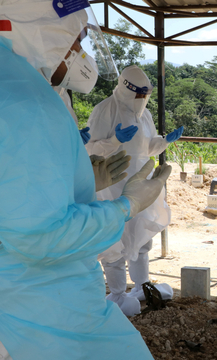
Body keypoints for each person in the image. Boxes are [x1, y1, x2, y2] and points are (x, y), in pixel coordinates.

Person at [0, 1, 170, 359]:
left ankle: (139, 287)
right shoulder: (27, 102)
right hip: (40, 307)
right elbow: (40, 234)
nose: (79, 50)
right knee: (115, 249)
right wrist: (125, 206)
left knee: (138, 244)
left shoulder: (20, 86)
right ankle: (121, 293)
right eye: (75, 39)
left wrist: (81, 178)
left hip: (27, 297)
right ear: (40, 31)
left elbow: (17, 191)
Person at [86, 65, 184, 316]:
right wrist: (115, 140)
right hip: (112, 186)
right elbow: (91, 151)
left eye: (146, 95)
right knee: (114, 242)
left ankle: (142, 286)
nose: (143, 100)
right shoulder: (104, 110)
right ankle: (118, 294)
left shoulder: (145, 115)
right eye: (139, 95)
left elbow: (146, 148)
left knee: (141, 238)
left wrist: (164, 142)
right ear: (126, 89)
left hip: (140, 184)